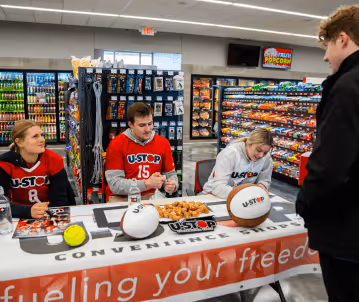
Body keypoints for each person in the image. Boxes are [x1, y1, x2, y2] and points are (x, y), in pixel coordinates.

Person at [295, 5, 359, 301]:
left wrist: (305, 205)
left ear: (343, 39)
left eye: (327, 45)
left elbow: (330, 165)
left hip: (347, 233)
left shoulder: (347, 85)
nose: (325, 56)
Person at [0, 120, 76, 219]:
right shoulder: (4, 164)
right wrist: (28, 211)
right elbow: (1, 203)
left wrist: (46, 212)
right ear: (19, 142)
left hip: (48, 213)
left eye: (41, 135)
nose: (42, 140)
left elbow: (60, 200)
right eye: (35, 136)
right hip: (17, 215)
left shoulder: (54, 160)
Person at [105, 102, 178, 201]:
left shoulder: (163, 143)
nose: (148, 129)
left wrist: (172, 184)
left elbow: (171, 174)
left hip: (152, 196)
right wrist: (146, 183)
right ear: (130, 124)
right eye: (142, 125)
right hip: (122, 198)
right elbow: (115, 185)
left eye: (150, 123)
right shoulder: (116, 144)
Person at [203, 128, 273, 199]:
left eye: (265, 152)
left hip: (242, 198)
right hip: (213, 196)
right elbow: (218, 188)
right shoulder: (230, 154)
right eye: (258, 150)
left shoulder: (266, 158)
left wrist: (262, 185)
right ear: (249, 143)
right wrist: (244, 194)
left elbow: (265, 180)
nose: (261, 155)